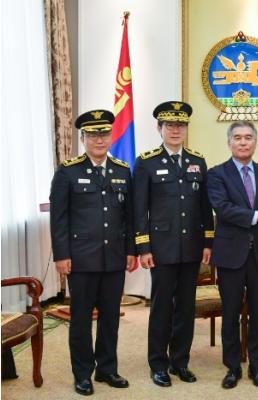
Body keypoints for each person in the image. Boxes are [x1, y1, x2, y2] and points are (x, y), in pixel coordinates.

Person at [50, 109, 136, 396]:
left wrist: (131, 250)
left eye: (104, 134)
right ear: (83, 138)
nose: (100, 140)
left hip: (114, 257)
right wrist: (61, 255)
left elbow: (129, 216)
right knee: (81, 318)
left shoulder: (122, 170)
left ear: (111, 136)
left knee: (111, 317)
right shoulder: (68, 171)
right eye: (93, 134)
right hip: (81, 258)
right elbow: (59, 218)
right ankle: (83, 374)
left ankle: (107, 369)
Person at [133, 101, 214, 387]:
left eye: (181, 125)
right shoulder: (146, 162)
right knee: (162, 308)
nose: (176, 130)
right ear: (160, 128)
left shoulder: (197, 161)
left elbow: (205, 207)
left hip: (191, 247)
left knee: (186, 308)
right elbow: (139, 209)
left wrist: (208, 242)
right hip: (162, 249)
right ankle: (158, 364)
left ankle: (180, 361)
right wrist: (143, 247)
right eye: (170, 125)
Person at [207, 121, 258, 389]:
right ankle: (232, 367)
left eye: (248, 137)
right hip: (230, 255)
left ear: (255, 141)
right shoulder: (217, 174)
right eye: (237, 137)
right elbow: (223, 208)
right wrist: (257, 216)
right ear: (229, 142)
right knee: (230, 314)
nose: (243, 142)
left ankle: (256, 366)